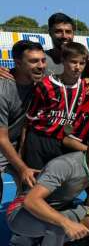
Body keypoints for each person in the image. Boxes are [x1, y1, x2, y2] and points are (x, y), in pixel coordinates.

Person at [6, 125, 89, 246]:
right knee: (59, 227)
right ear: (88, 145)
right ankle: (24, 238)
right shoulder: (65, 165)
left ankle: (35, 240)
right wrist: (66, 223)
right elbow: (30, 200)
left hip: (56, 209)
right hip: (21, 211)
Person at [23, 42, 89, 170]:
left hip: (63, 142)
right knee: (32, 184)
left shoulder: (85, 87)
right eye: (73, 62)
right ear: (63, 61)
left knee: (58, 186)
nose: (77, 67)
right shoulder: (45, 85)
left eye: (82, 63)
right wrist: (22, 148)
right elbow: (28, 120)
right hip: (39, 140)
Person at [0, 41, 46, 201]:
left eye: (43, 60)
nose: (41, 66)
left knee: (33, 185)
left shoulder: (42, 83)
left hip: (18, 142)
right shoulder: (3, 90)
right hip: (2, 142)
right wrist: (22, 169)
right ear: (18, 63)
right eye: (34, 61)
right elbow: (1, 139)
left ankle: (22, 218)